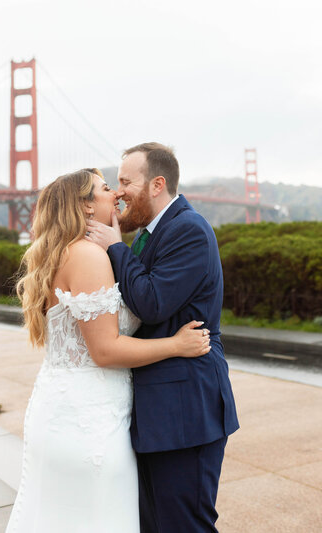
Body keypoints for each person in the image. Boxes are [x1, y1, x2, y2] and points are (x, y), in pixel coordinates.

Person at [5, 168, 211, 533]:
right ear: (85, 207)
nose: (115, 194)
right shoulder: (86, 255)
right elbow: (104, 349)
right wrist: (177, 344)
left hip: (70, 408)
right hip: (89, 419)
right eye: (104, 189)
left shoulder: (68, 251)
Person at [86, 143, 240, 533]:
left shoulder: (188, 228)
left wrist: (116, 248)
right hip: (159, 415)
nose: (118, 192)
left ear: (157, 184)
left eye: (125, 182)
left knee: (185, 525)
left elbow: (152, 303)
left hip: (187, 411)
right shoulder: (148, 235)